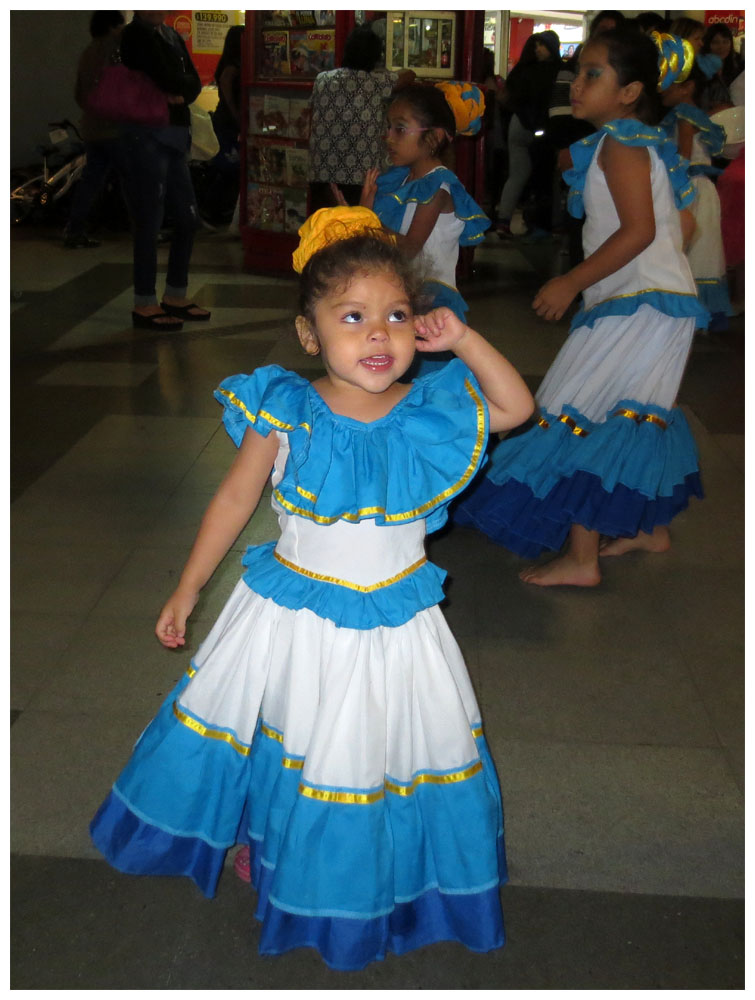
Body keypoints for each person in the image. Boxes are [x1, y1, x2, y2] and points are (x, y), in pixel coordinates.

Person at [89, 205, 535, 971]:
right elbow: (233, 500)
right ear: (308, 333)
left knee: (381, 746)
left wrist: (461, 338)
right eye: (352, 316)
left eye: (396, 316)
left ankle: (380, 871)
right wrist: (188, 590)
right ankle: (277, 849)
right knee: (299, 741)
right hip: (295, 616)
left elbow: (517, 408)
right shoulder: (284, 409)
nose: (377, 335)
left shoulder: (432, 408)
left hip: (396, 623)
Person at [454, 27, 709, 587]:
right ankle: (647, 525)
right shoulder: (646, 141)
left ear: (629, 90)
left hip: (632, 308)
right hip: (662, 307)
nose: (578, 83)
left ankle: (582, 557)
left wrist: (571, 281)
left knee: (576, 410)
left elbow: (638, 230)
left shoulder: (620, 142)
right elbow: (678, 225)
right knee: (639, 414)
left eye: (594, 74)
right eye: (580, 71)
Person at [116, 12, 210, 331]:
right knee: (149, 219)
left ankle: (175, 294)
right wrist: (175, 88)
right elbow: (165, 76)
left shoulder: (170, 36)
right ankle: (144, 301)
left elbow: (192, 83)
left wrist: (179, 90)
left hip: (173, 134)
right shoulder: (135, 36)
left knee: (187, 218)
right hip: (145, 134)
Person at [307, 24, 414, 213]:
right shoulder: (376, 82)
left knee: (323, 233)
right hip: (361, 179)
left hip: (322, 176)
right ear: (375, 56)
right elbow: (410, 75)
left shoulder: (322, 79)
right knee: (356, 234)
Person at [660, 56, 732, 332]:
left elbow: (683, 157)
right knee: (706, 251)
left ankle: (691, 312)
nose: (661, 88)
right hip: (700, 187)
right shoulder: (692, 114)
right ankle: (708, 312)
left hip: (689, 188)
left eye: (668, 82)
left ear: (687, 87)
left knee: (691, 249)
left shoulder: (684, 115)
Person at [63, 10, 125, 249]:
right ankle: (146, 230)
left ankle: (74, 229)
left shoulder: (87, 52)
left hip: (92, 127)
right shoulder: (115, 51)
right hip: (115, 129)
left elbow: (79, 93)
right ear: (112, 27)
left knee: (90, 181)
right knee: (134, 180)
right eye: (120, 25)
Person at [495, 32, 561, 238]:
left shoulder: (522, 70)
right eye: (538, 45)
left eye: (542, 45)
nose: (538, 48)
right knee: (546, 177)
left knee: (517, 175)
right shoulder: (556, 72)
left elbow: (508, 98)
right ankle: (546, 225)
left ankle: (503, 221)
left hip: (518, 125)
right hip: (542, 129)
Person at [203, 24, 244, 226]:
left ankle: (217, 211)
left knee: (229, 168)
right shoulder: (232, 66)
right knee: (229, 168)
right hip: (228, 122)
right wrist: (238, 118)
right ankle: (214, 211)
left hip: (225, 120)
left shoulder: (230, 63)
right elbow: (228, 95)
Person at [700, 24, 743, 112]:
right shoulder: (701, 69)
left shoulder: (739, 65)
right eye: (715, 42)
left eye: (725, 42)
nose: (721, 47)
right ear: (707, 44)